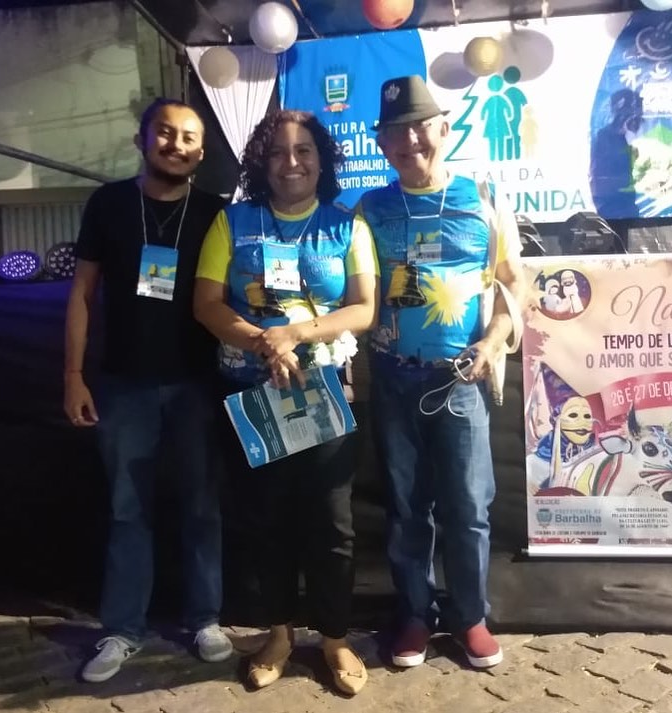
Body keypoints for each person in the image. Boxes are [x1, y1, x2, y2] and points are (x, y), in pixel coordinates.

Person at [193, 109, 379, 696]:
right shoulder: (231, 222)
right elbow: (206, 304)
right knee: (265, 522)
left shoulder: (346, 225)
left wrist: (295, 334)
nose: (290, 163)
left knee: (331, 525)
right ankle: (278, 636)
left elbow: (364, 308)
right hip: (252, 398)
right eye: (277, 152)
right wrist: (263, 342)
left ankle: (335, 639)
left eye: (303, 151)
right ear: (260, 162)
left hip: (324, 397)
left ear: (322, 160)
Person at [358, 75, 526, 670]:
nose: (410, 141)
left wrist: (492, 342)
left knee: (469, 506)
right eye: (395, 133)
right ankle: (414, 615)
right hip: (392, 377)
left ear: (445, 129)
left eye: (420, 127)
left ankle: (470, 616)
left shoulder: (483, 198)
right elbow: (352, 290)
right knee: (407, 506)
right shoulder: (369, 209)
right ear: (381, 145)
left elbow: (514, 285)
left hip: (460, 380)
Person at [63, 97, 233, 683]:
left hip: (198, 384)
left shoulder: (217, 212)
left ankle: (205, 618)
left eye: (188, 137)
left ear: (201, 152)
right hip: (123, 385)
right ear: (142, 138)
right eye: (165, 132)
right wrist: (73, 376)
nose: (176, 144)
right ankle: (122, 629)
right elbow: (82, 294)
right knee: (126, 511)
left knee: (201, 506)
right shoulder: (108, 204)